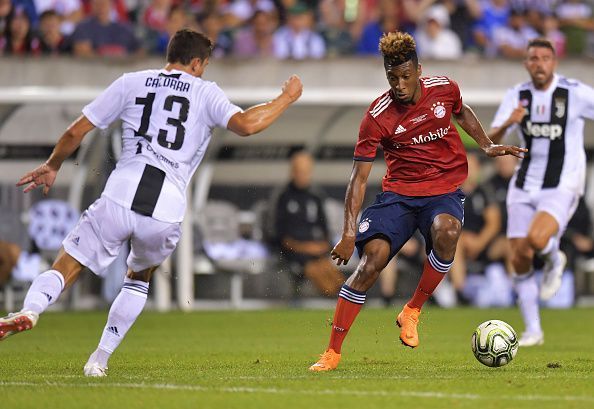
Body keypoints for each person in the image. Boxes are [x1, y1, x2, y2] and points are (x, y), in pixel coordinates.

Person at [0, 29, 303, 377]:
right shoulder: (206, 92)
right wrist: (286, 98)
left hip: (120, 193)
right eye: (203, 65)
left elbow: (75, 132)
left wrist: (53, 164)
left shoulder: (132, 82)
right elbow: (248, 124)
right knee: (139, 277)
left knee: (68, 265)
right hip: (166, 209)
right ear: (196, 63)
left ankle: (31, 310)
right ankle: (99, 359)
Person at [309, 31, 525, 371]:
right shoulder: (377, 116)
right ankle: (332, 352)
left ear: (419, 70)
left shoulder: (444, 88)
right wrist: (349, 234)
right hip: (399, 195)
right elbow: (358, 178)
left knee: (448, 232)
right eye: (392, 77)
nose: (399, 83)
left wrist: (485, 144)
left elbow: (461, 110)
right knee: (371, 263)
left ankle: (413, 309)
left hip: (443, 190)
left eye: (406, 76)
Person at [488, 37, 594, 347]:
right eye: (533, 58)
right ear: (526, 64)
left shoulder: (574, 93)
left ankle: (553, 257)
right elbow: (490, 142)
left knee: (536, 239)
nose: (539, 64)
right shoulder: (516, 96)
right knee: (519, 256)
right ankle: (533, 330)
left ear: (554, 63)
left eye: (545, 58)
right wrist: (509, 122)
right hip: (523, 184)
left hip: (563, 181)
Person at [273, 150, 344, 298]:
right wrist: (305, 248)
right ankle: (334, 301)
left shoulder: (315, 196)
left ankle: (347, 300)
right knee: (316, 270)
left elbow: (325, 229)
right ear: (292, 172)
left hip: (317, 251)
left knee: (329, 270)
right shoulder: (283, 197)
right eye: (300, 171)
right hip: (294, 252)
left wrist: (323, 246)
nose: (303, 176)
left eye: (307, 172)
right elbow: (280, 237)